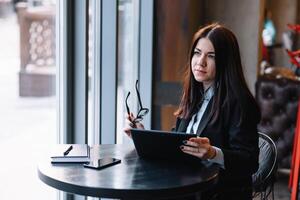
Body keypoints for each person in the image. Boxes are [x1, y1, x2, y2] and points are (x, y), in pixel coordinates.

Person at [124, 23, 261, 200]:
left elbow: (249, 162)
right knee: (133, 190)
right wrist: (141, 134)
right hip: (185, 185)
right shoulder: (195, 94)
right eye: (197, 53)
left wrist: (213, 153)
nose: (200, 62)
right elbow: (178, 141)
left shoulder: (240, 102)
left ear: (225, 61)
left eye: (211, 56)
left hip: (216, 192)